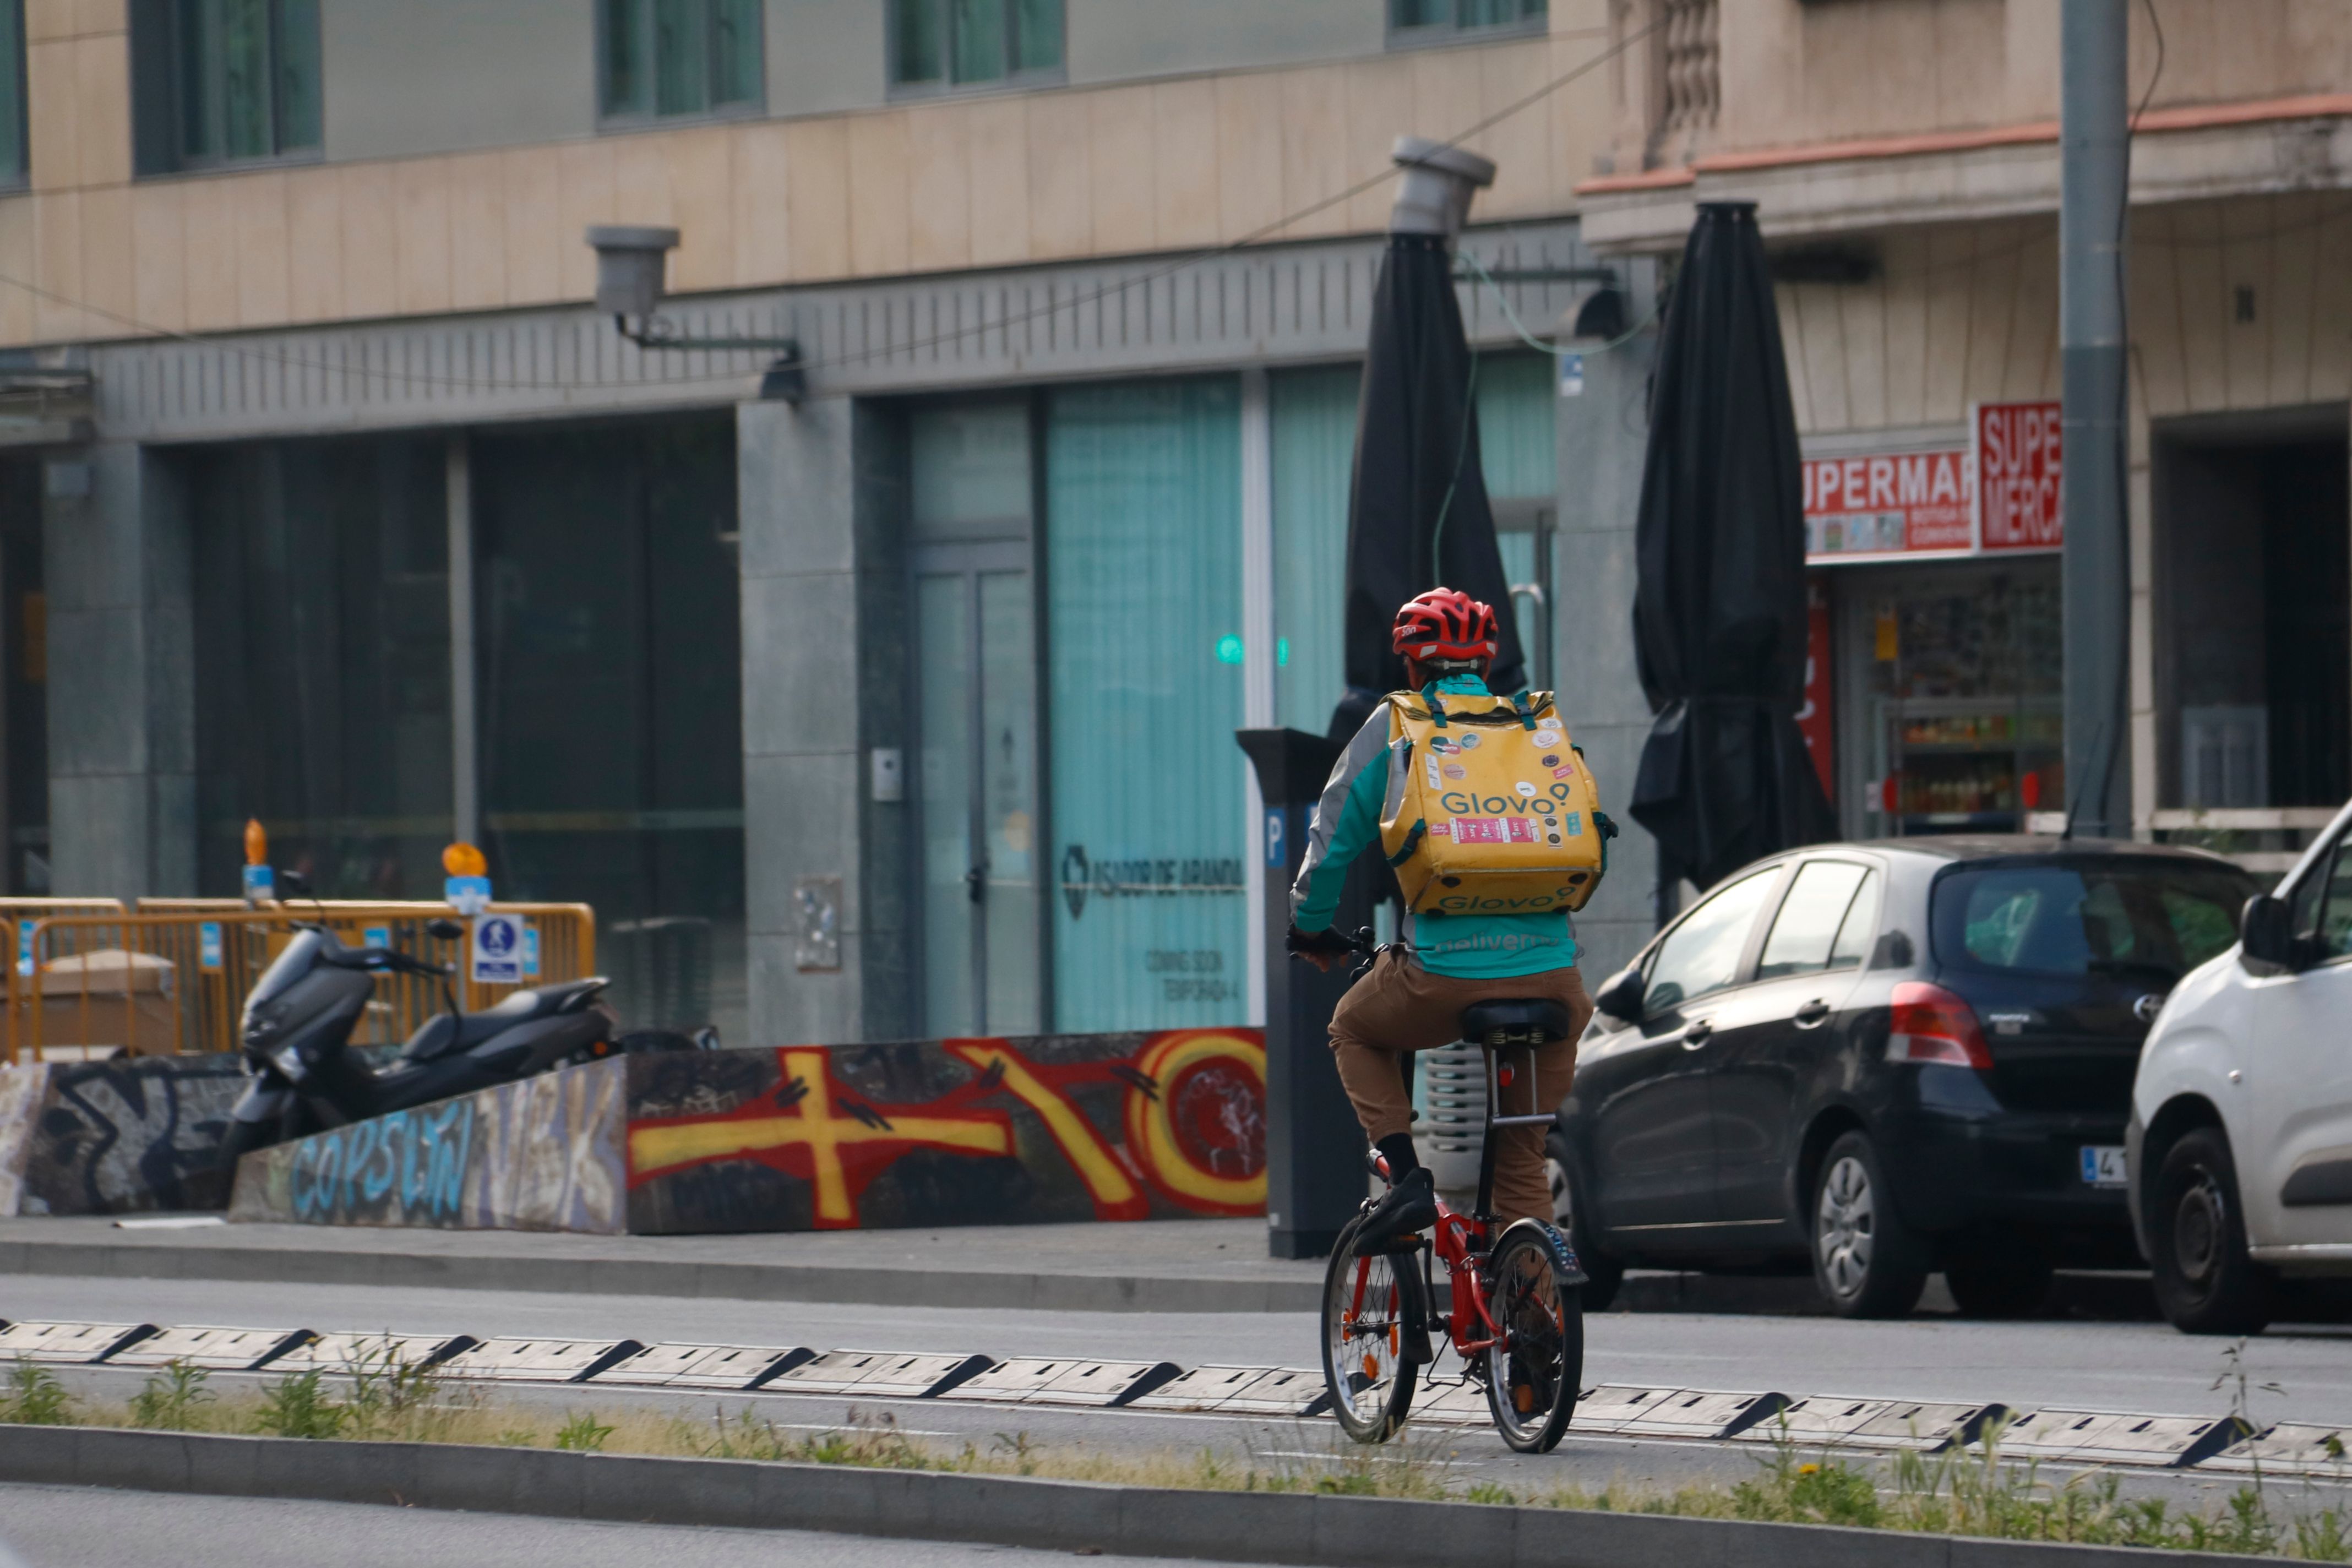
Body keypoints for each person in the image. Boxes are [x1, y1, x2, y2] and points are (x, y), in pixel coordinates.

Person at [1286, 587, 1594, 1250]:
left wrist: (1310, 926)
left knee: (1351, 1027)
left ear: (1412, 667)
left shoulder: (1399, 724)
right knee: (1521, 1163)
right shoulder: (1535, 725)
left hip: (1441, 980)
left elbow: (1331, 837)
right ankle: (1535, 1323)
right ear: (1486, 662)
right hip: (1555, 986)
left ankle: (1405, 1181)